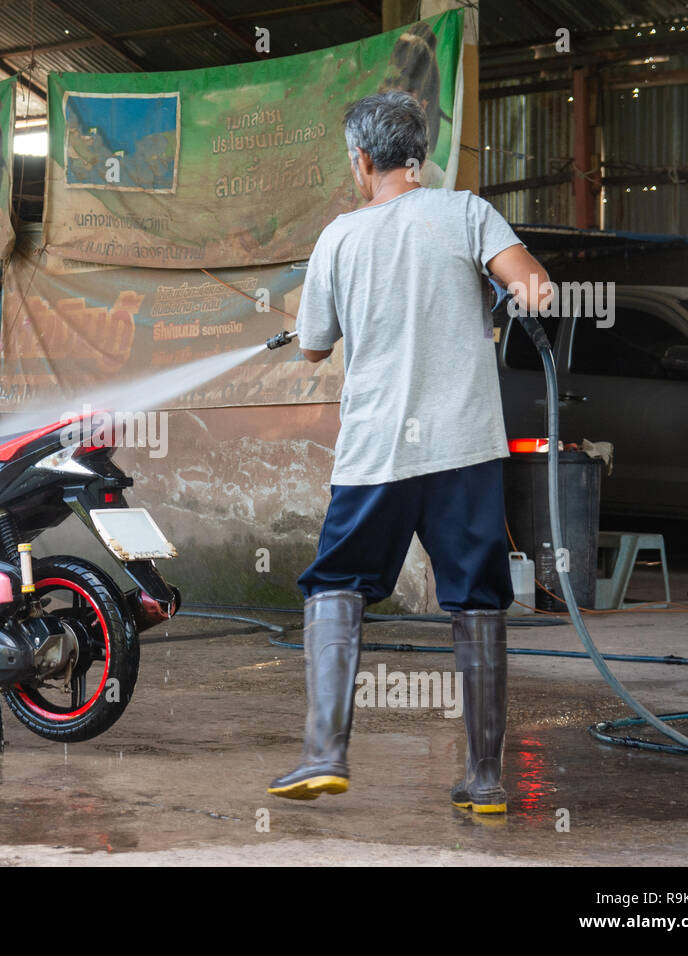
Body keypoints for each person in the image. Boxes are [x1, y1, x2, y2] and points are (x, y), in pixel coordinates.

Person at [267, 91, 553, 813]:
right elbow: (535, 288)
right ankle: (485, 780)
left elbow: (311, 346)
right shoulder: (465, 212)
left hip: (377, 455)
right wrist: (514, 291)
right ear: (416, 155)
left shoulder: (338, 237)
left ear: (363, 161)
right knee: (478, 599)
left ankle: (324, 754)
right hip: (463, 449)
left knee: (337, 585)